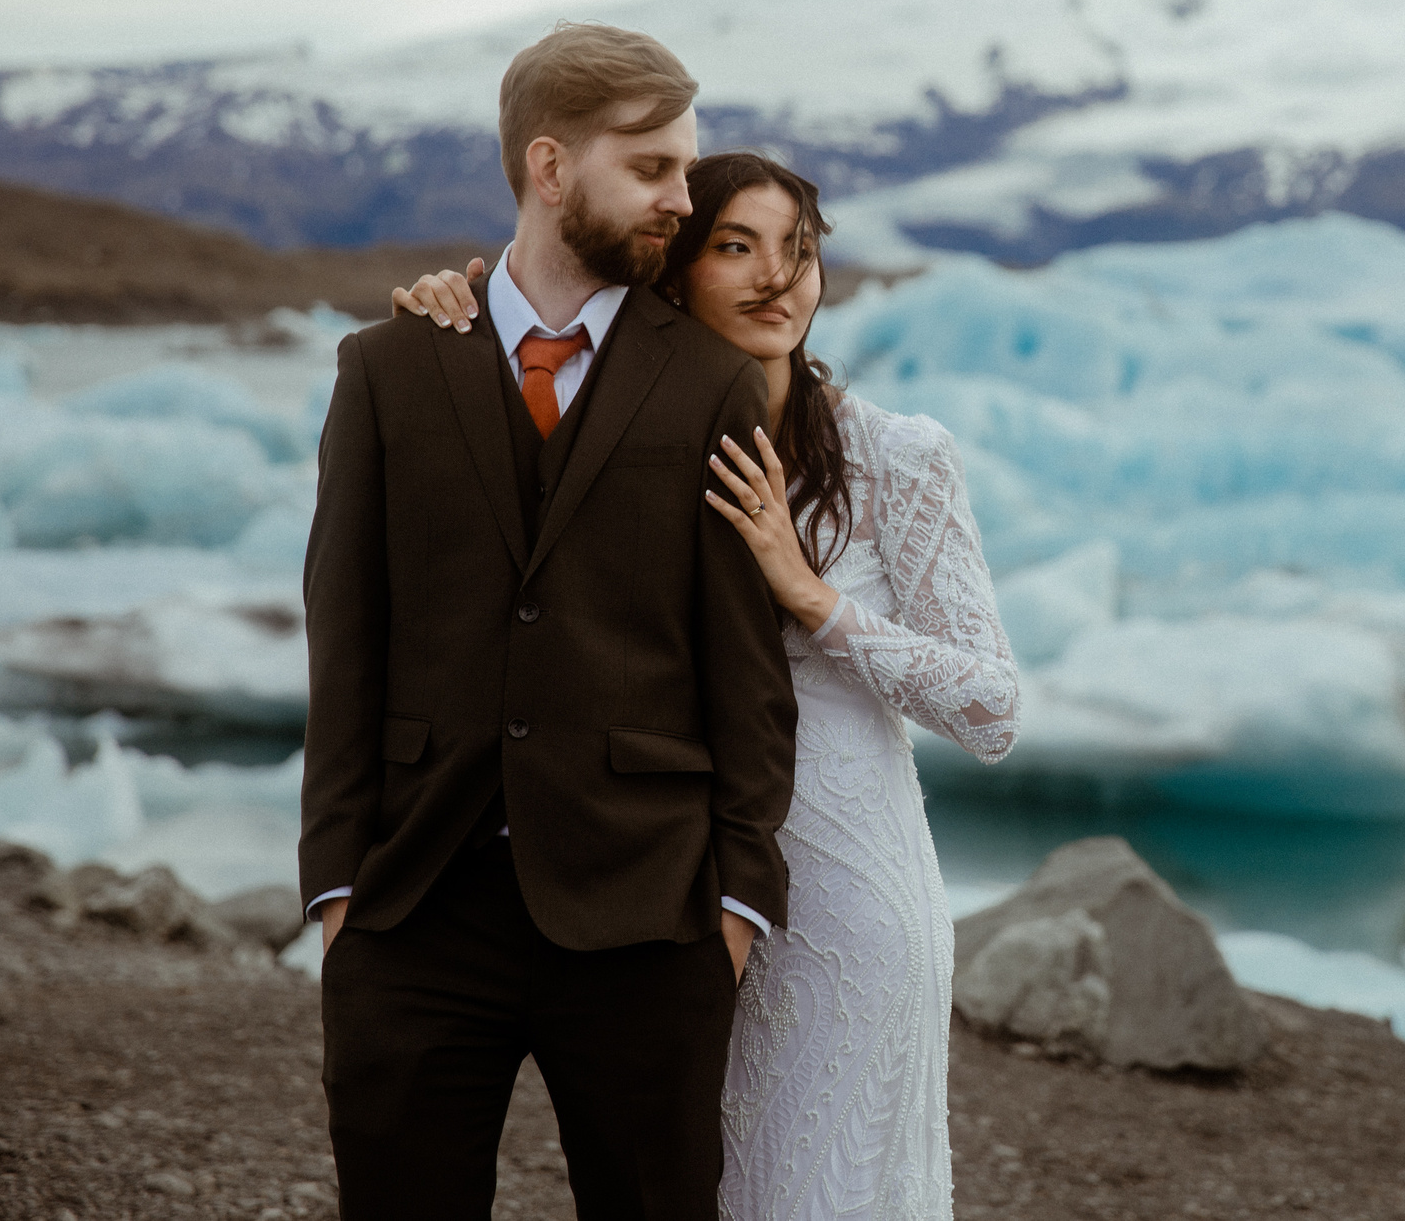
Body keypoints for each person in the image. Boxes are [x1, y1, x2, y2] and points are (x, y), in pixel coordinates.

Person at [393, 149, 1021, 1221]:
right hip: (667, 893)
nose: (779, 279)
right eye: (737, 247)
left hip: (846, 899)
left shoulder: (894, 457)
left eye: (801, 251)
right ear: (671, 269)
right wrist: (450, 311)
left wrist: (808, 595)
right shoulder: (611, 437)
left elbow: (990, 708)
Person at [303, 23, 799, 1221]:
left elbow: (744, 669)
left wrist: (733, 906)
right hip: (415, 908)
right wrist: (335, 896)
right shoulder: (389, 368)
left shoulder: (712, 382)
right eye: (653, 169)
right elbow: (345, 635)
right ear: (549, 167)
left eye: (685, 169)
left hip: (647, 920)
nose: (682, 198)